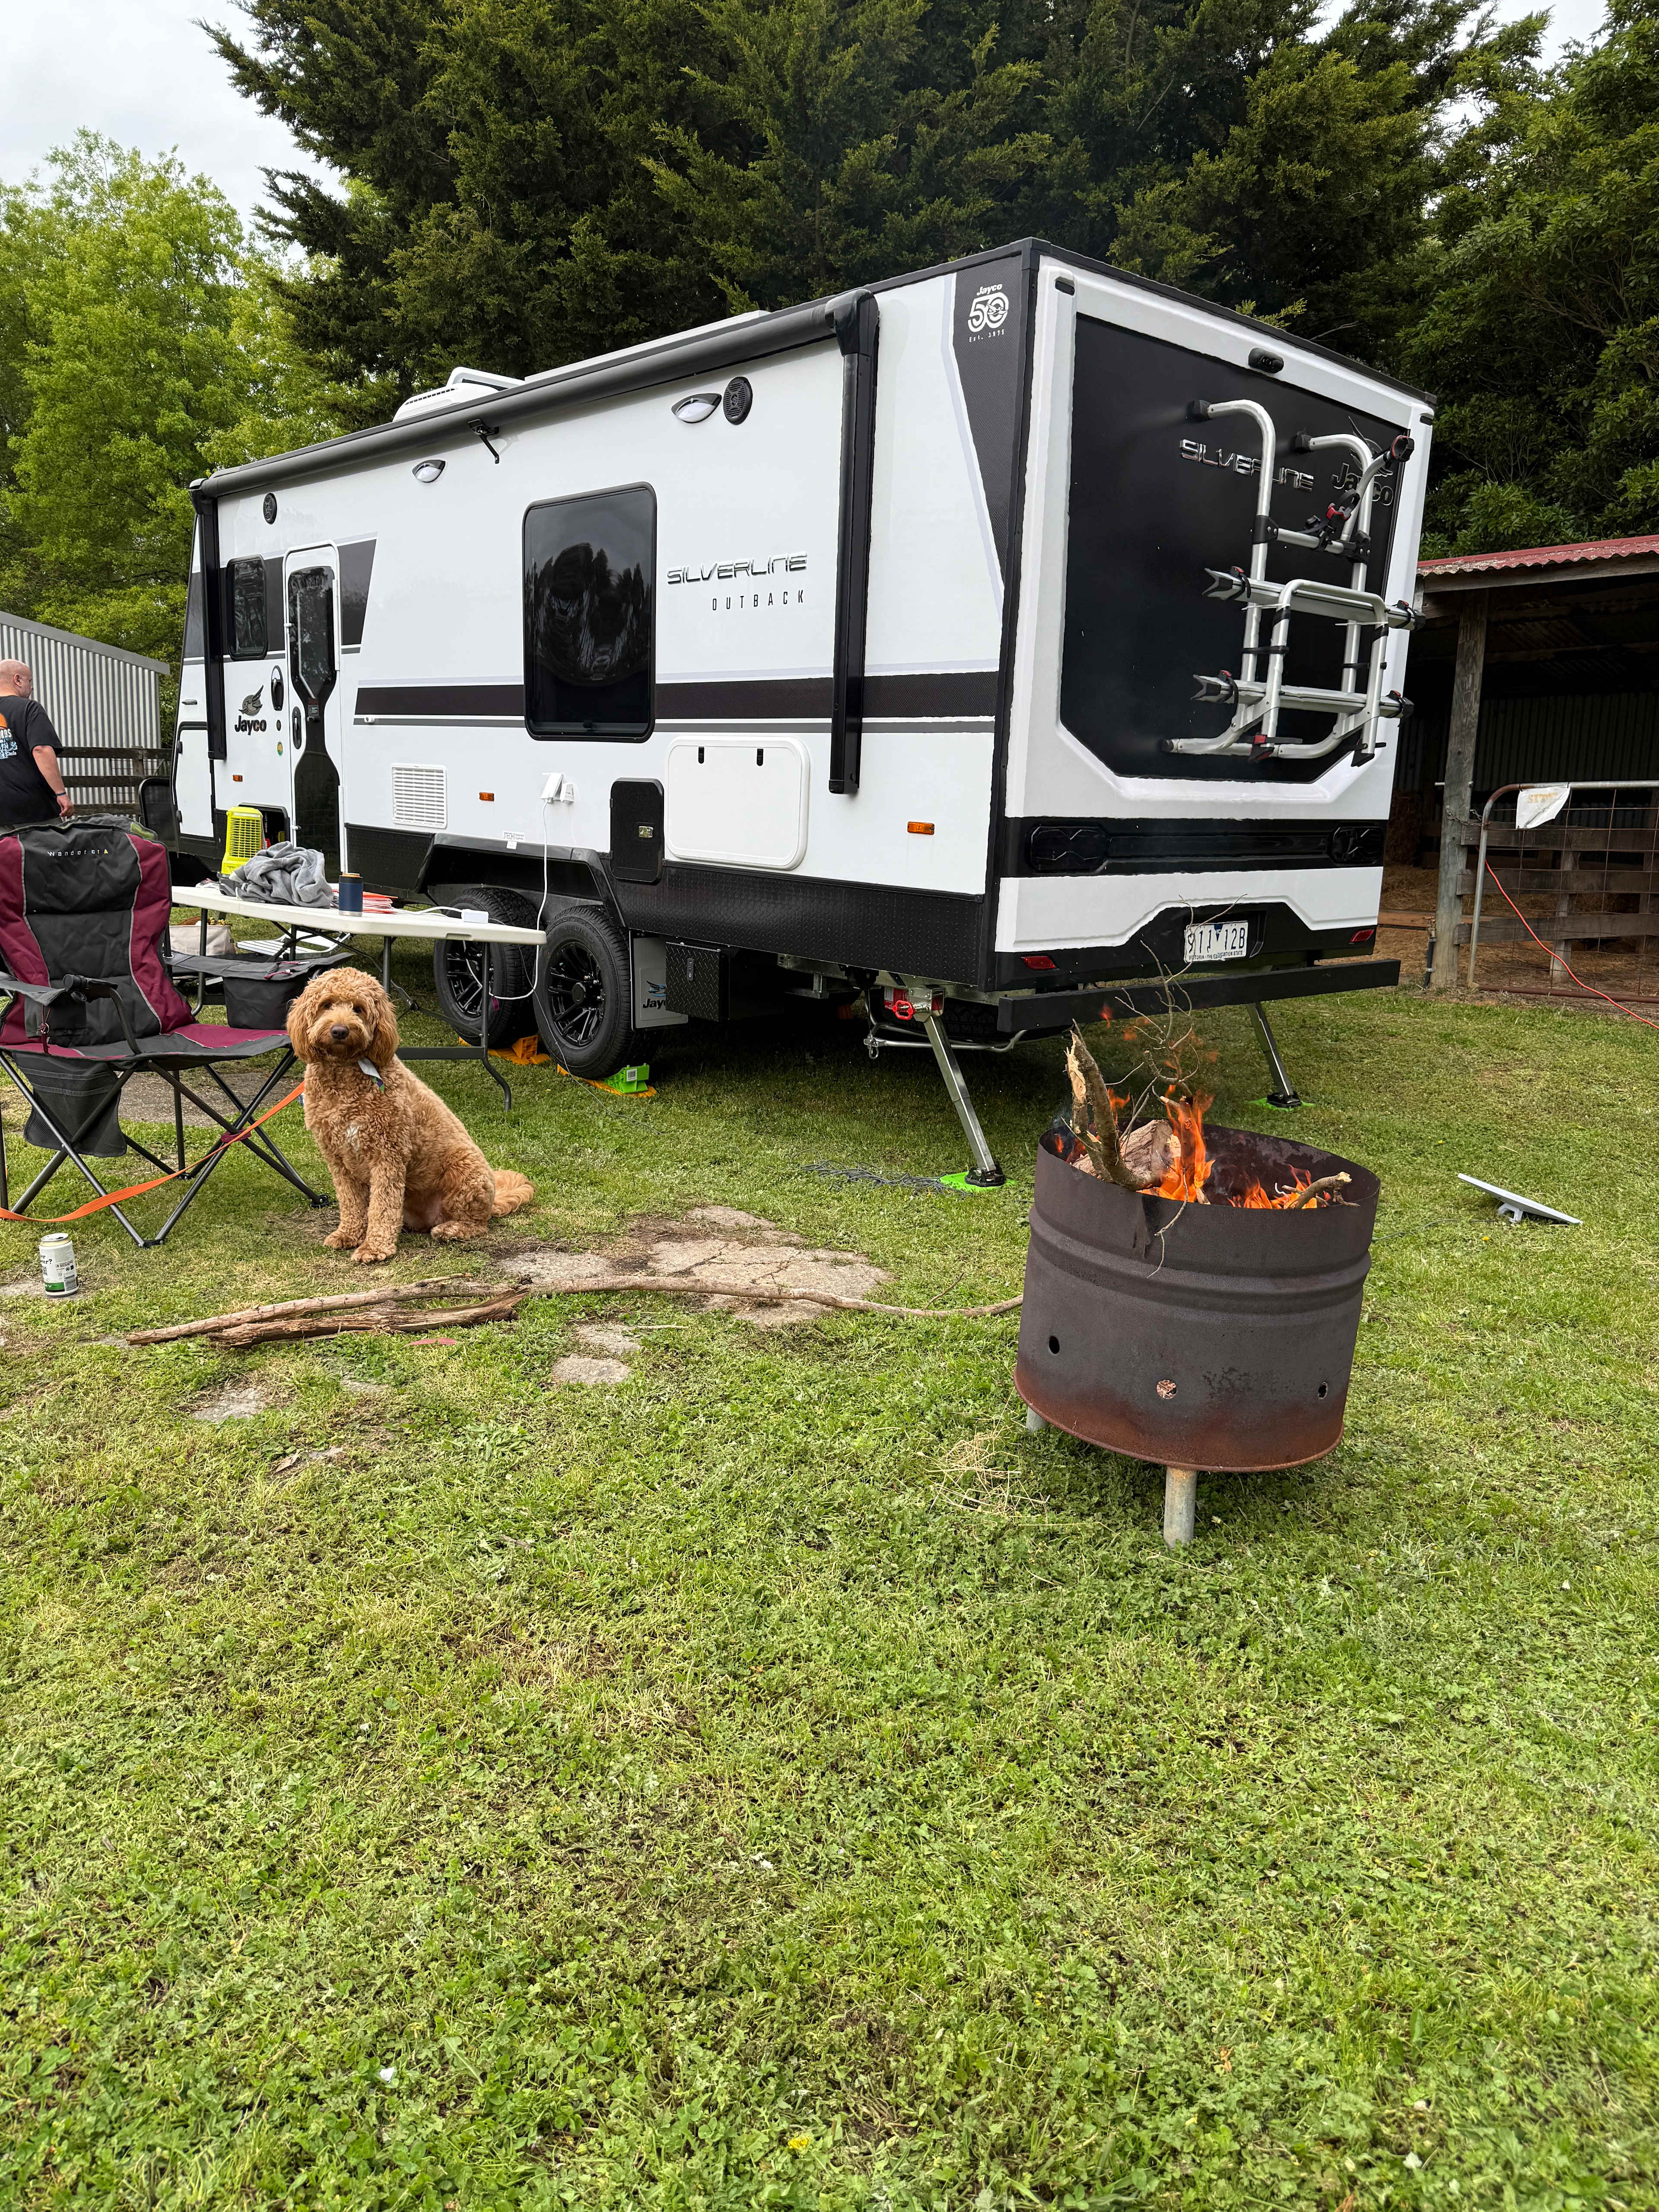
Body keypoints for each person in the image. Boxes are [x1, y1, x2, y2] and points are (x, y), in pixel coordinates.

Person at [0, 660, 73, 827]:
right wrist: (61, 794)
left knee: (7, 854)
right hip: (33, 809)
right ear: (17, 680)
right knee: (48, 852)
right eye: (29, 681)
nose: (31, 687)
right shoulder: (29, 709)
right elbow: (41, 750)